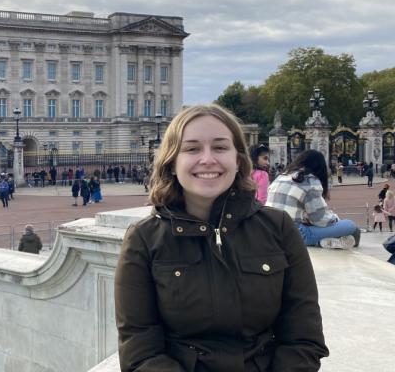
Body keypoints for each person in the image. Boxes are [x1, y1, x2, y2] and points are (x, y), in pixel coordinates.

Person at [115, 104, 328, 371]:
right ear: (171, 163)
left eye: (220, 147)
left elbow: (304, 336)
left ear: (238, 160)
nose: (207, 159)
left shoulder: (278, 227)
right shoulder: (143, 240)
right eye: (192, 149)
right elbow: (140, 349)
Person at [267, 149, 360, 249]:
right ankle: (320, 241)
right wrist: (336, 219)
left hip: (270, 231)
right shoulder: (309, 180)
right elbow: (320, 219)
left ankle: (322, 242)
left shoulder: (282, 176)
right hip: (293, 235)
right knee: (351, 226)